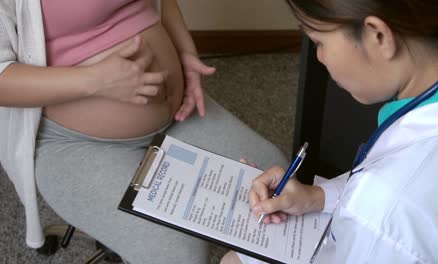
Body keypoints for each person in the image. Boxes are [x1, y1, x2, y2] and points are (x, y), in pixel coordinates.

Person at [0, 0, 288, 263]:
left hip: (178, 115)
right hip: (75, 142)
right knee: (176, 253)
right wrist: (95, 81)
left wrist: (184, 52)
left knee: (278, 184)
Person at [222, 0, 438, 263]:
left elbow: (384, 210)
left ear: (379, 36)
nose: (318, 57)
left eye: (318, 42)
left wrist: (358, 203)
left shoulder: (383, 212)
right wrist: (315, 197)